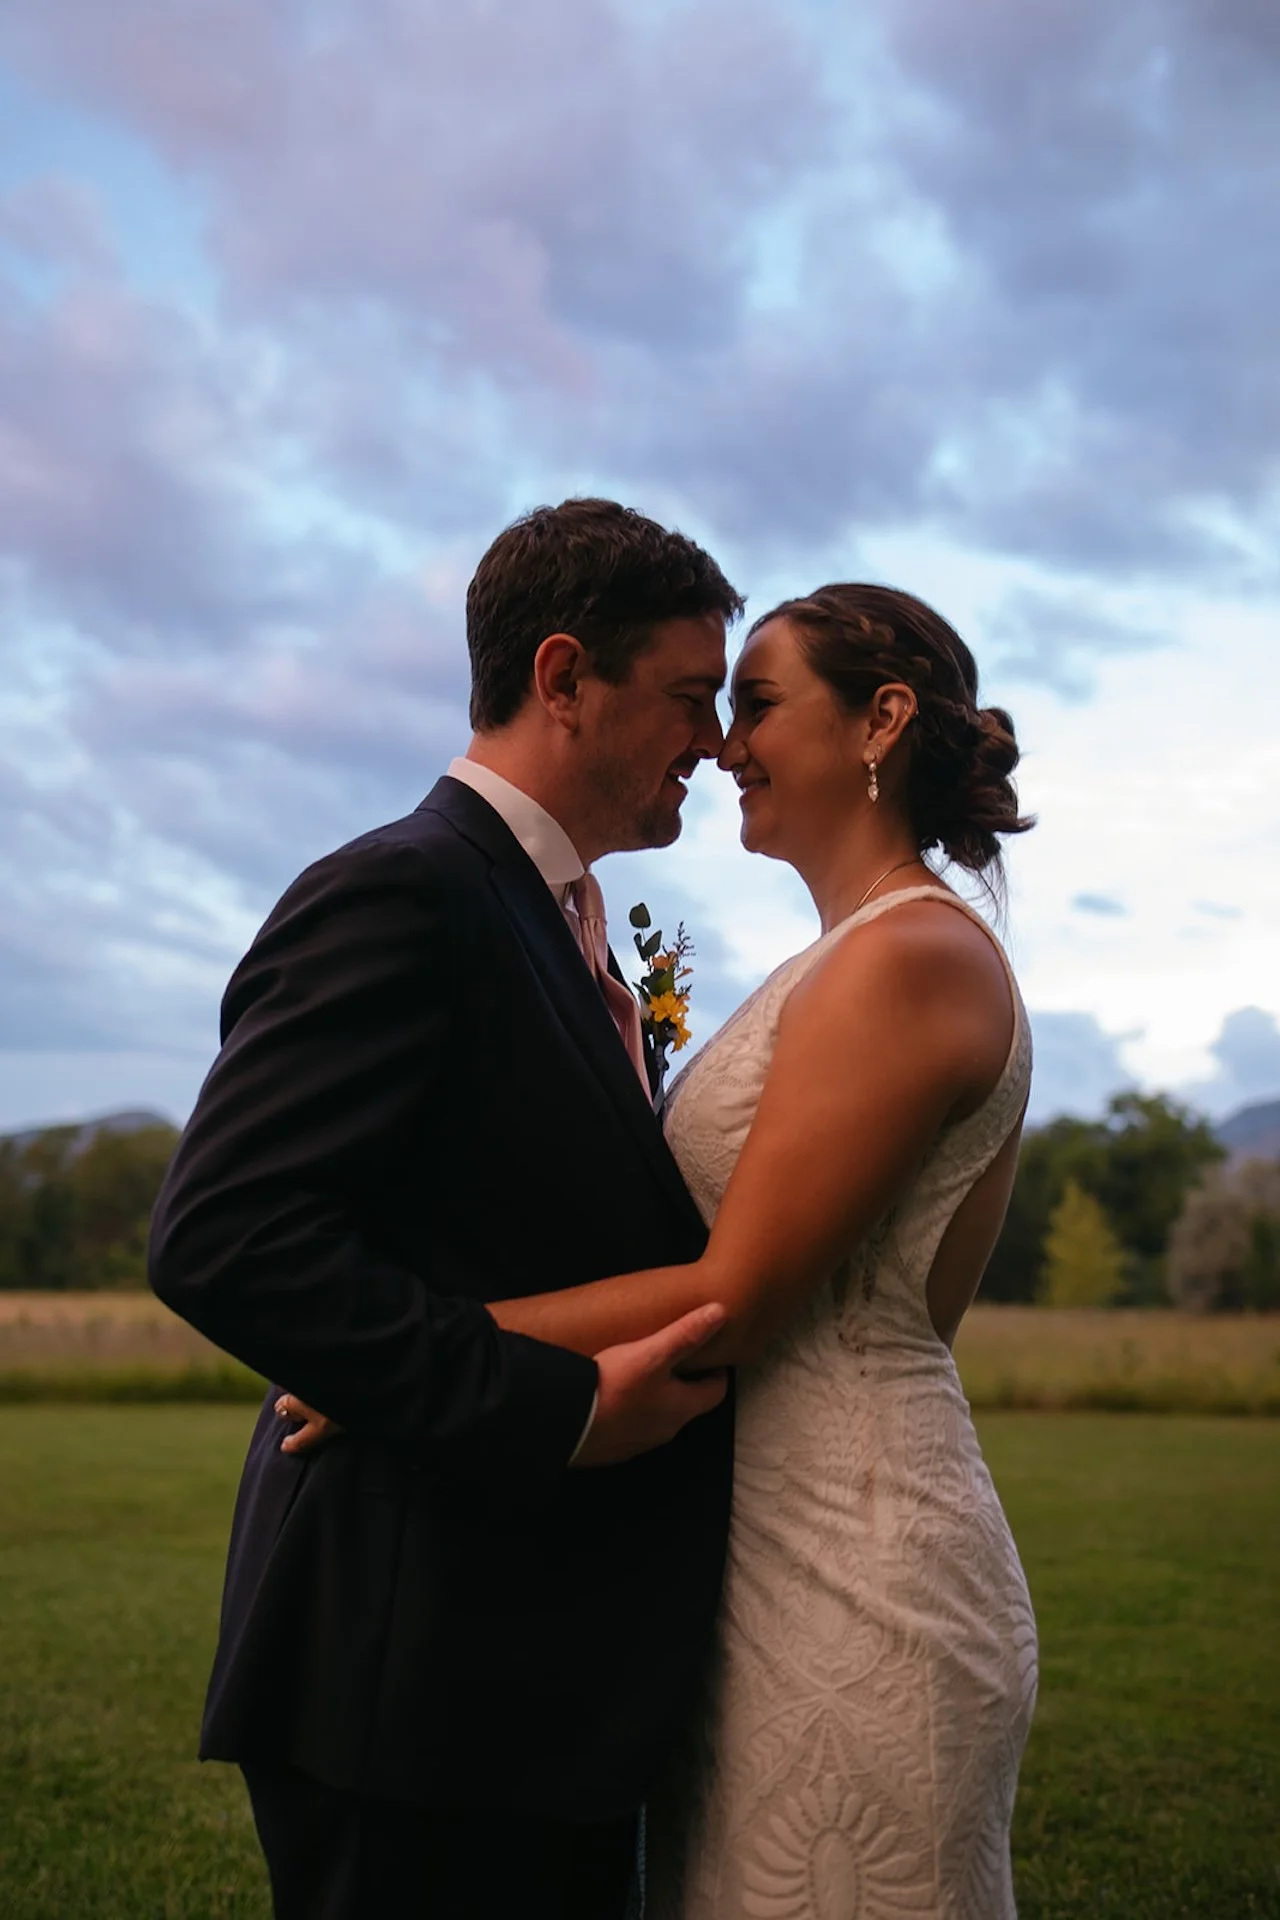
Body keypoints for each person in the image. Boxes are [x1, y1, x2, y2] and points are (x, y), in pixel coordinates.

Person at [384, 581, 1039, 1916]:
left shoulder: (910, 956)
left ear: (884, 719)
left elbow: (739, 1299)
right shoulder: (855, 957)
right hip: (763, 1553)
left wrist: (402, 1356)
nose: (726, 744)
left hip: (859, 1573)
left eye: (756, 704)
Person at [148, 497, 746, 1920]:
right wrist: (563, 1407)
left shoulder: (560, 914)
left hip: (521, 1672)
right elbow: (225, 1235)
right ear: (562, 679)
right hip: (409, 1679)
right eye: (689, 696)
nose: (716, 743)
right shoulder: (403, 894)